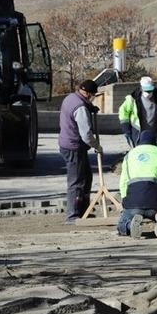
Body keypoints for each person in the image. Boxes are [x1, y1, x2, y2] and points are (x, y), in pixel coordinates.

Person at [117, 130, 157, 239]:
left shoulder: (129, 156)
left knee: (122, 223)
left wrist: (125, 201)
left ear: (139, 141)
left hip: (134, 202)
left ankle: (129, 226)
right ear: (155, 142)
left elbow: (123, 182)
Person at [58, 79, 103, 224]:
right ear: (88, 93)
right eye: (93, 95)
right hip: (74, 147)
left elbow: (82, 106)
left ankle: (84, 211)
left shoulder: (71, 98)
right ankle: (72, 215)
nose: (93, 98)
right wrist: (97, 146)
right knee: (76, 181)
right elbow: (86, 135)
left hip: (69, 144)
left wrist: (91, 107)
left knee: (86, 177)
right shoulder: (80, 108)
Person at [118, 76, 157, 147]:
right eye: (146, 90)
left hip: (156, 132)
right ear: (141, 88)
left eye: (150, 91)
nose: (148, 93)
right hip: (138, 133)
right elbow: (123, 112)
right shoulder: (133, 98)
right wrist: (126, 129)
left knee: (155, 152)